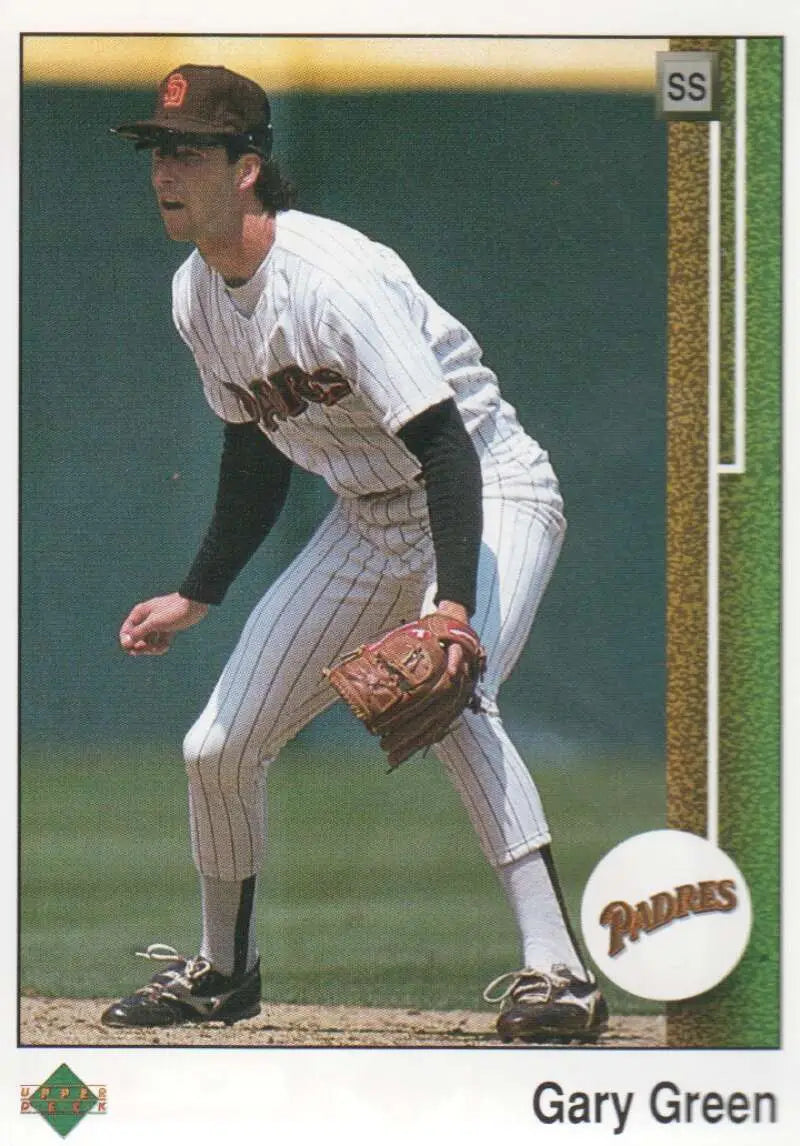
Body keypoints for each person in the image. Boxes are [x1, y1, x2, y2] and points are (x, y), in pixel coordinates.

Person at [104, 63, 608, 1044]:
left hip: (484, 487)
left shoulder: (331, 278)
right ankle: (223, 972)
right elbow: (253, 447)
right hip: (365, 517)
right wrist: (196, 592)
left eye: (189, 150)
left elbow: (441, 444)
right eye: (157, 150)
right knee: (216, 746)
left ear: (247, 166)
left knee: (444, 692)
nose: (165, 168)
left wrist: (450, 606)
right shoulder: (194, 295)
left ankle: (559, 974)